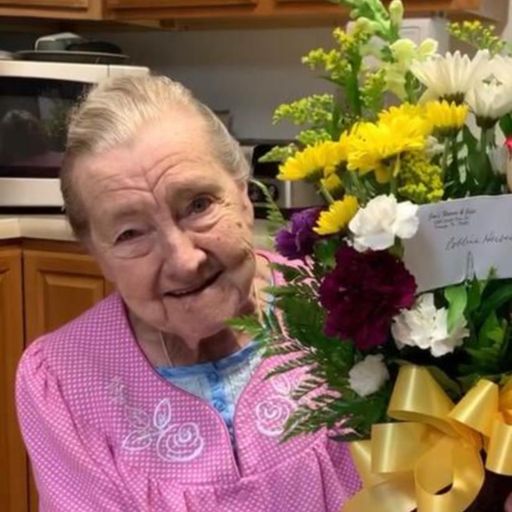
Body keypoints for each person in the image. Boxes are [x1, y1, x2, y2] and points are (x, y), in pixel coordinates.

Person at [15, 75, 361, 511]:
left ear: (244, 195)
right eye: (130, 233)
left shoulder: (343, 305)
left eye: (199, 204)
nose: (184, 261)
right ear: (96, 254)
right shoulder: (64, 380)